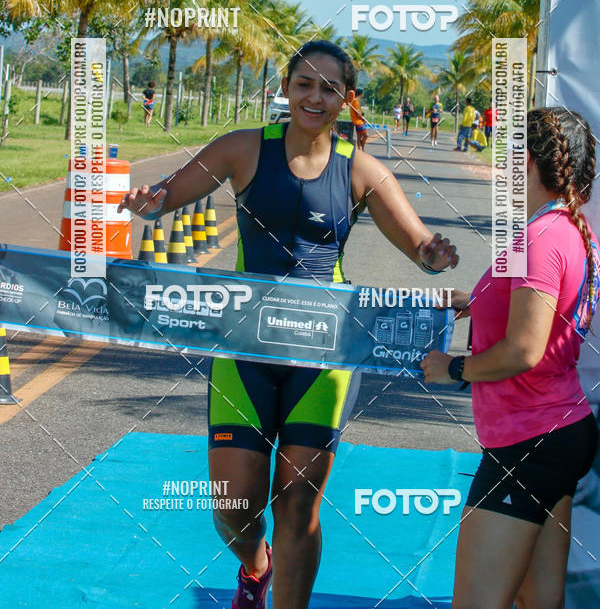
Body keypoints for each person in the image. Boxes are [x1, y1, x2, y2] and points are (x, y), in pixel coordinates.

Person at [118, 40, 459, 609]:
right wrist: (148, 201)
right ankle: (255, 568)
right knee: (233, 504)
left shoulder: (362, 171)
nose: (315, 97)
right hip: (244, 348)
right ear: (286, 88)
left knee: (297, 506)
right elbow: (167, 196)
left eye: (330, 88)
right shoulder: (242, 149)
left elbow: (420, 243)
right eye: (305, 84)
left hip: (322, 357)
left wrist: (435, 254)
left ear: (345, 99)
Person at [422, 107, 599, 609]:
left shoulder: (540, 238)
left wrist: (453, 369)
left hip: (530, 441)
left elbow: (525, 349)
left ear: (528, 161)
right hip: (557, 432)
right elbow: (538, 311)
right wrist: (471, 302)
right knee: (539, 601)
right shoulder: (567, 228)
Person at [349, 86, 368, 150]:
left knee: (359, 137)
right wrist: (363, 118)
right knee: (365, 135)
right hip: (358, 122)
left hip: (355, 121)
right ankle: (362, 147)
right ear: (361, 94)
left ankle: (359, 149)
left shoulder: (353, 101)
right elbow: (358, 113)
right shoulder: (356, 101)